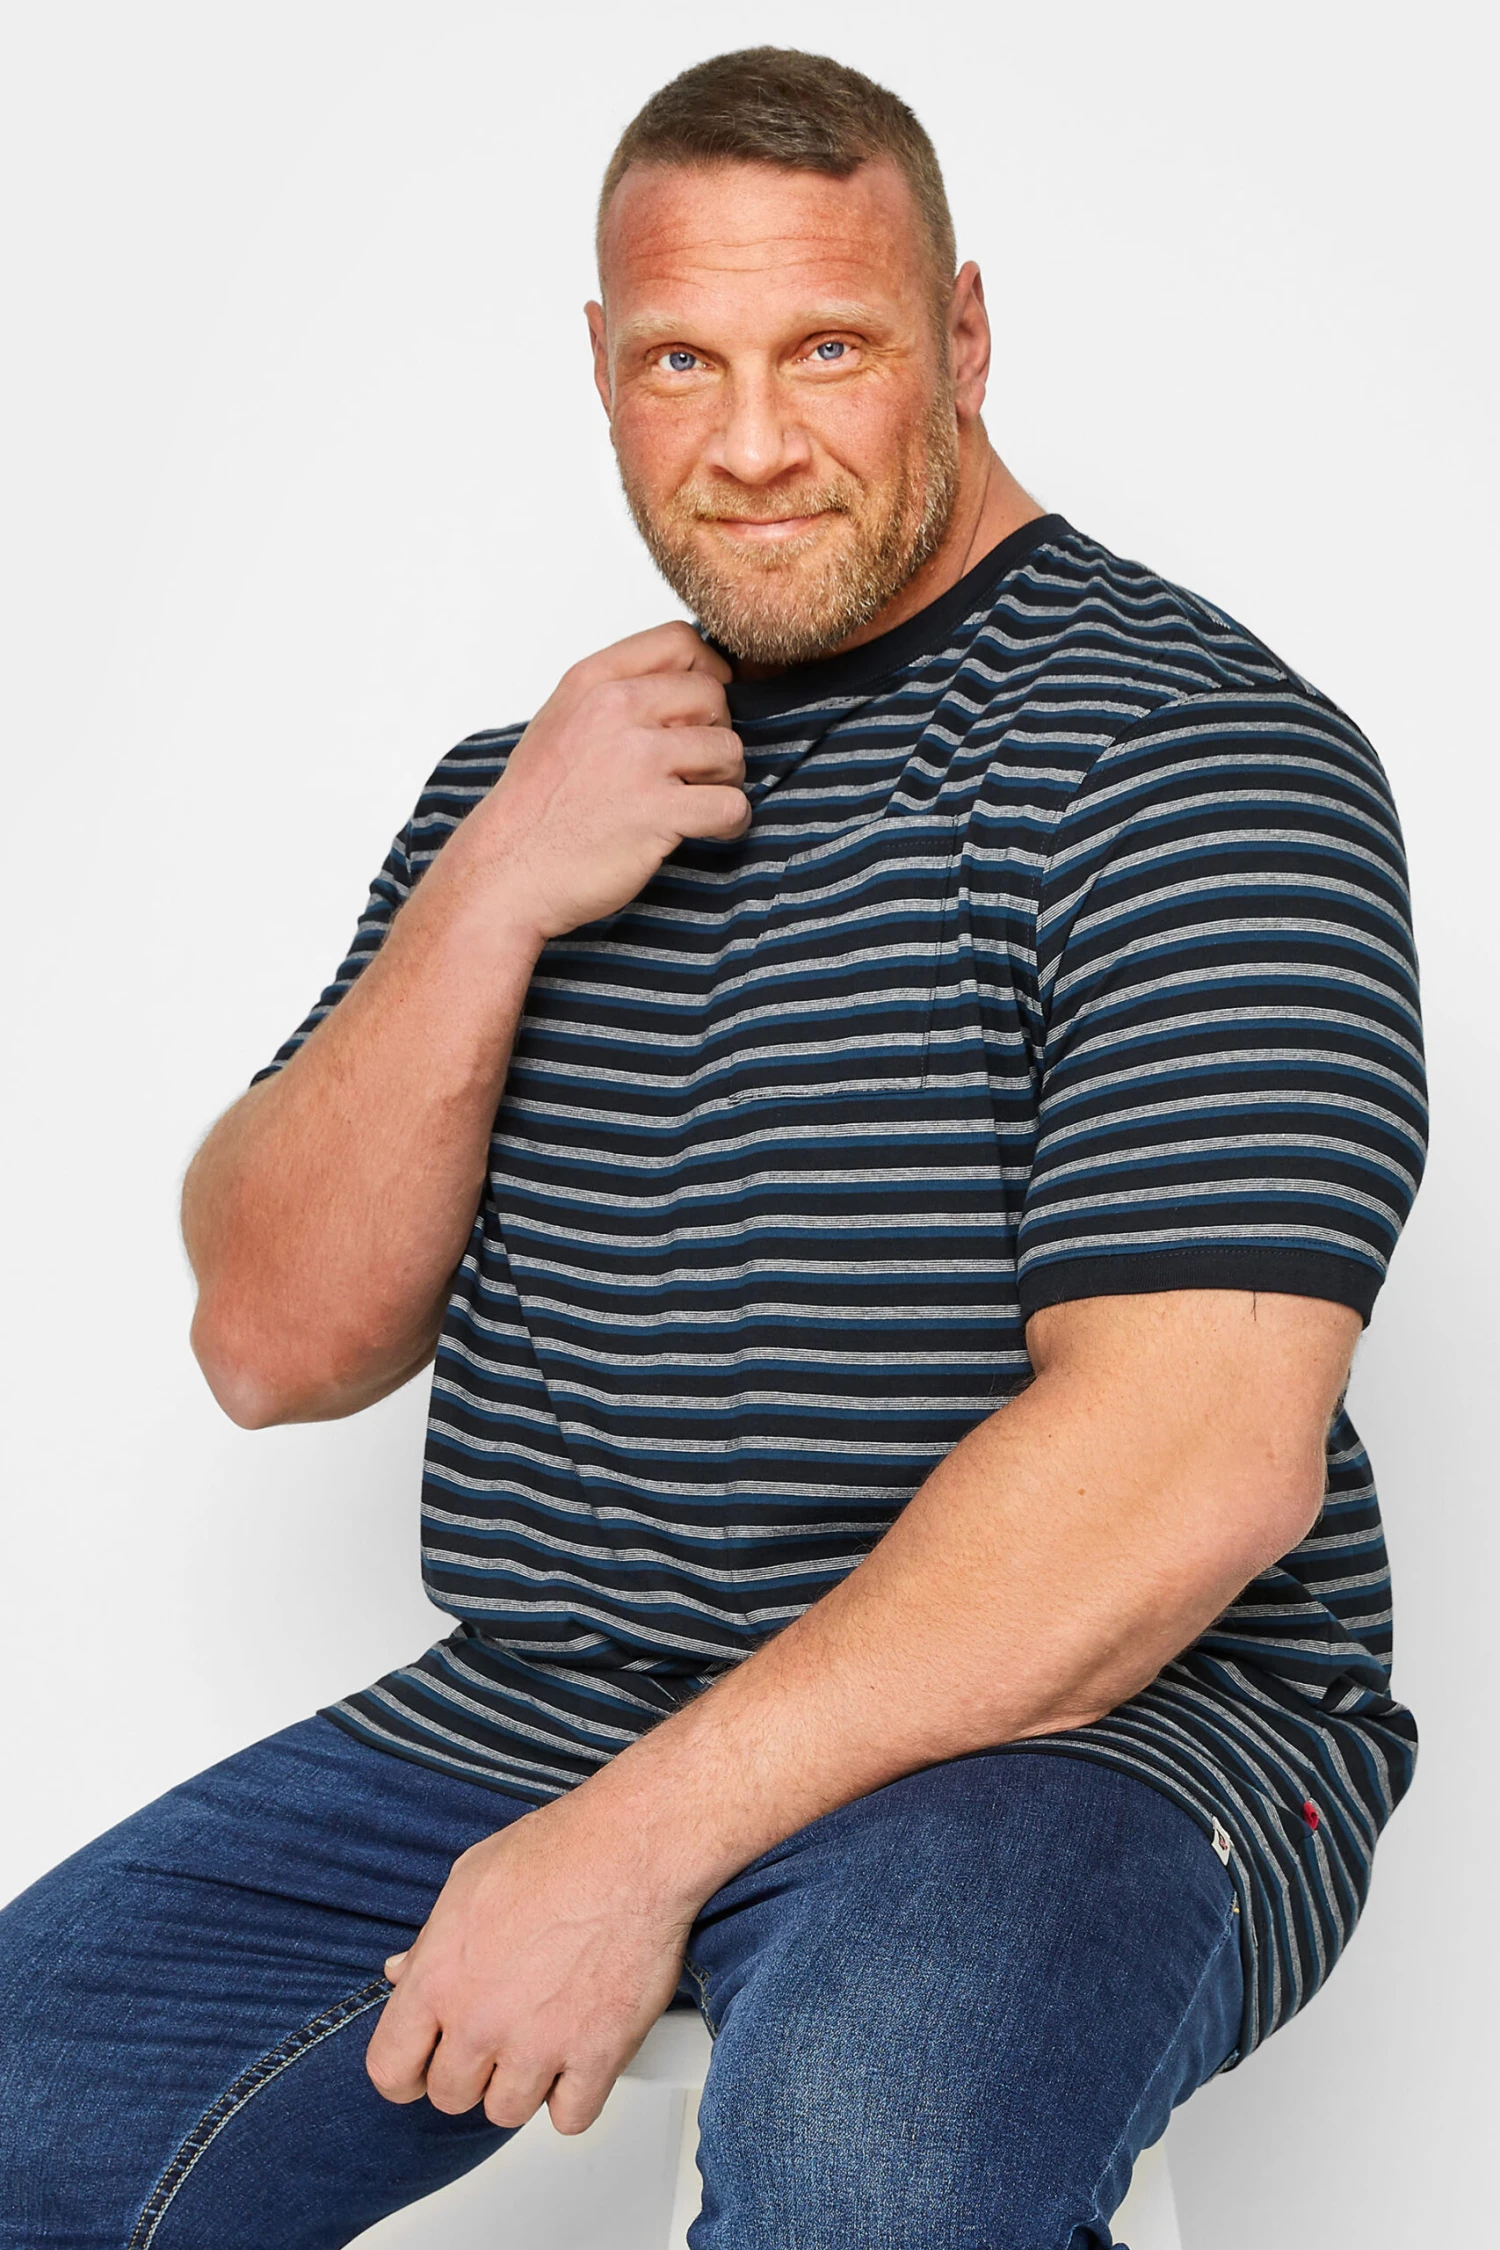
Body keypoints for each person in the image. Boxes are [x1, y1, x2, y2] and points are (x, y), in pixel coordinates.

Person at [0, 45, 1427, 2250]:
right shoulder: (533, 785)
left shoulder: (1194, 757)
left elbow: (1189, 1471)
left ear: (964, 333)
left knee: (874, 2180)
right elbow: (271, 1336)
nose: (752, 442)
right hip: (552, 1700)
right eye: (684, 360)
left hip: (1096, 1730)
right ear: (601, 366)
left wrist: (627, 1849)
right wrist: (495, 885)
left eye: (828, 348)